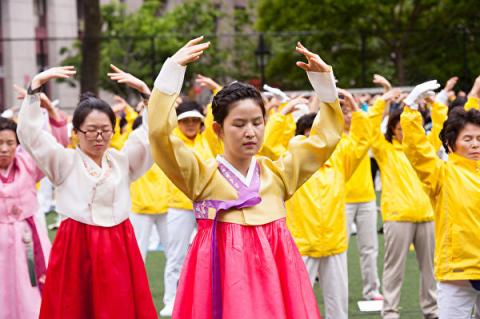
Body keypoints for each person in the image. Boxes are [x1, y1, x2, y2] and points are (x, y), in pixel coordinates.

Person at [148, 37, 343, 319]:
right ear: (218, 129)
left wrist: (325, 82)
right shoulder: (201, 177)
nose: (250, 132)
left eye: (257, 122)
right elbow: (159, 136)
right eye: (238, 124)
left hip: (275, 276)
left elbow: (324, 140)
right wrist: (170, 74)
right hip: (219, 277)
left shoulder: (278, 176)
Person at [17, 66, 157, 319]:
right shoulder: (63, 161)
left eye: (105, 129)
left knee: (118, 304)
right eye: (90, 130)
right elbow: (31, 135)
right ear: (76, 133)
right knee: (74, 306)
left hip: (118, 242)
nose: (98, 136)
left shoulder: (121, 161)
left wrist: (147, 95)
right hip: (76, 243)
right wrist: (35, 87)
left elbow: (150, 137)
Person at [285, 89, 372, 319]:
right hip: (302, 244)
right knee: (297, 304)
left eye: (320, 133)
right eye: (309, 134)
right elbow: (270, 144)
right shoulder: (292, 163)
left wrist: (354, 106)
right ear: (301, 137)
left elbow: (362, 140)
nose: (316, 140)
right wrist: (283, 112)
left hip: (334, 243)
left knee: (338, 304)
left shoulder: (340, 159)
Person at [401, 78, 480, 319]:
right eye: (468, 139)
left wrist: (475, 94)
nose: (475, 144)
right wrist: (410, 108)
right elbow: (417, 151)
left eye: (479, 138)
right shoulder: (442, 173)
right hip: (457, 272)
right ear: (452, 143)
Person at [368, 81, 442, 319]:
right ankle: (390, 312)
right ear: (392, 129)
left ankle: (432, 310)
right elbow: (369, 129)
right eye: (398, 128)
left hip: (427, 215)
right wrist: (384, 100)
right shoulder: (385, 149)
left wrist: (435, 105)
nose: (403, 132)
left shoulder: (425, 147)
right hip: (398, 217)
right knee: (394, 270)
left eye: (406, 127)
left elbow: (441, 129)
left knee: (430, 270)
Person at [0, 95, 67, 319]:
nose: (4, 149)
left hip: (29, 238)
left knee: (32, 289)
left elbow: (54, 149)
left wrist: (50, 110)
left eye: (9, 143)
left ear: (17, 145)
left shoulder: (28, 164)